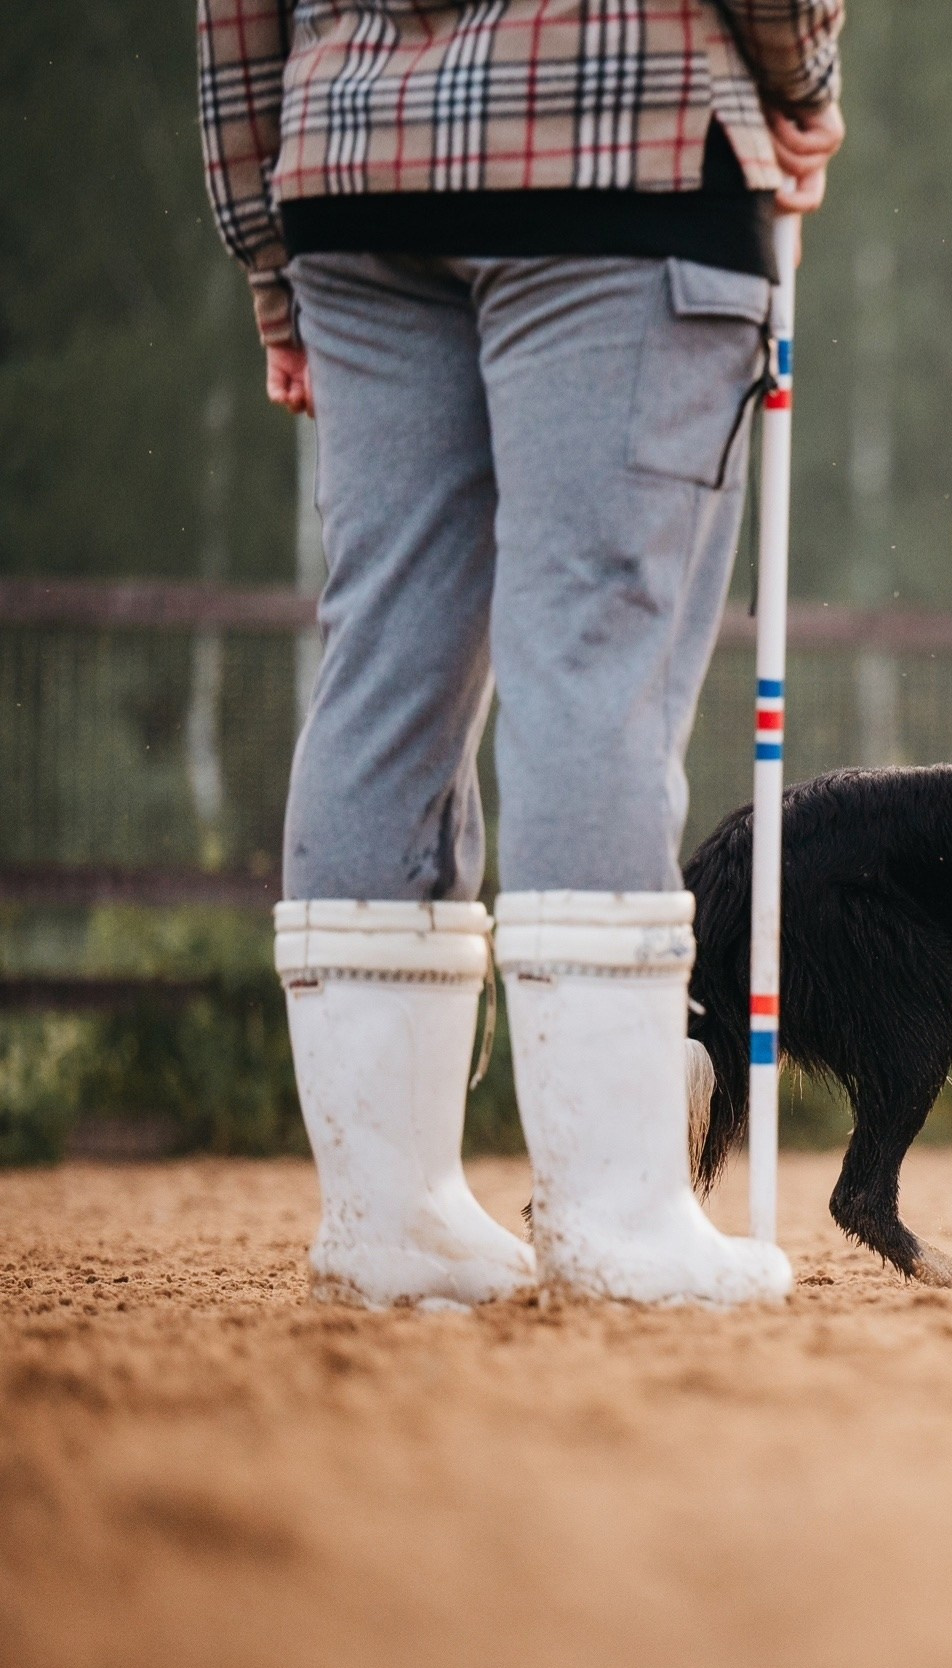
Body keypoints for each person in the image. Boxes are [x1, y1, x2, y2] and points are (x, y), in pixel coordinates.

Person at [197, 0, 845, 1308]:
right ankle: (615, 1217)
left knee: (382, 664)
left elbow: (233, 17)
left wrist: (270, 261)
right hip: (620, 145)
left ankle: (392, 1220)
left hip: (354, 170)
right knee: (595, 657)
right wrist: (802, 77)